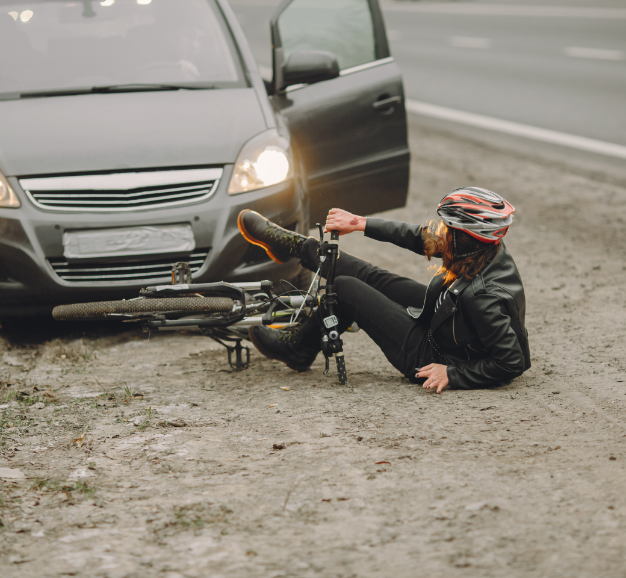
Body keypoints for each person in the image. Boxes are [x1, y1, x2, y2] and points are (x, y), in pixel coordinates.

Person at [237, 187, 530, 393]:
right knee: (372, 275)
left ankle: (297, 349)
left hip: (431, 354)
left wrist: (452, 374)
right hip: (448, 319)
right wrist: (361, 223)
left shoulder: (483, 297)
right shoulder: (480, 249)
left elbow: (511, 361)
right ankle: (297, 246)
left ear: (468, 238)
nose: (441, 232)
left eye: (449, 229)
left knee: (346, 288)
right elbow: (420, 238)